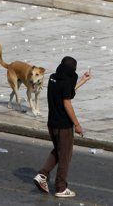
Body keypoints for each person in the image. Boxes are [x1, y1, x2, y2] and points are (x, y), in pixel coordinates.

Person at [34, 57, 91, 198]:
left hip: (51, 123)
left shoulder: (53, 78)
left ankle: (42, 175)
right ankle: (61, 187)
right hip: (64, 126)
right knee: (65, 156)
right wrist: (77, 125)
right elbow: (67, 103)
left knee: (59, 151)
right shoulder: (66, 81)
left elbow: (65, 92)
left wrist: (82, 81)